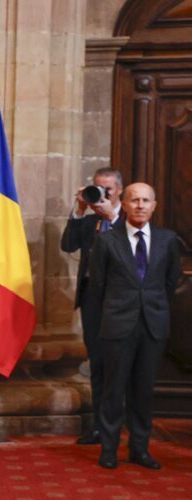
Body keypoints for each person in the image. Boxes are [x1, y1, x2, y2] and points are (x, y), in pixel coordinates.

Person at [90, 182, 182, 470]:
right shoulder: (107, 240)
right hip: (118, 325)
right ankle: (108, 449)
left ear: (154, 205)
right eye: (135, 200)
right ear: (124, 204)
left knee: (143, 390)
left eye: (146, 200)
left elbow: (171, 281)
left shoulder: (168, 240)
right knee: (113, 389)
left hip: (153, 326)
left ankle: (139, 449)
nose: (140, 205)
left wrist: (151, 305)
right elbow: (98, 285)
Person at [60, 168, 124, 445]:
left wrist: (113, 218)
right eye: (97, 187)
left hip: (122, 304)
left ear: (120, 190)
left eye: (107, 189)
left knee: (118, 365)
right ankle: (99, 425)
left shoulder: (129, 220)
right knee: (97, 364)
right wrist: (79, 210)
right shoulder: (89, 223)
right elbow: (67, 244)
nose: (102, 194)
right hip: (92, 302)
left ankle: (119, 425)